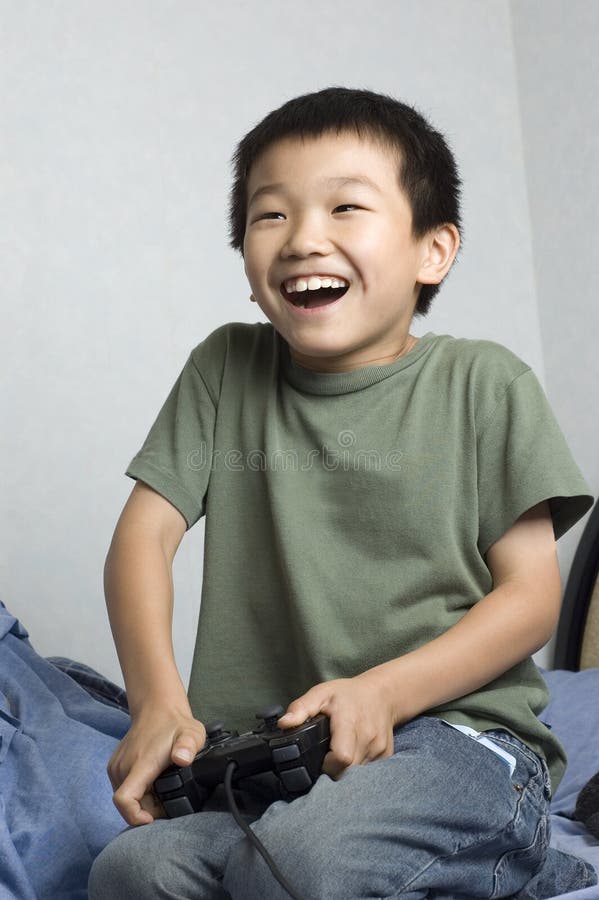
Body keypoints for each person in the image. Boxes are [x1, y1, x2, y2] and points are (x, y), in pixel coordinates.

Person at [88, 86, 597, 899]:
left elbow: (534, 597)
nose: (302, 240)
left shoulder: (483, 383)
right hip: (279, 758)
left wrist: (385, 691)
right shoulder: (225, 369)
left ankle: (517, 855)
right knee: (131, 871)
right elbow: (142, 539)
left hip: (453, 738)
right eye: (270, 216)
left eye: (345, 208)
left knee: (297, 866)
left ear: (432, 251)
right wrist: (156, 703)